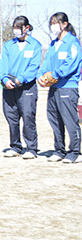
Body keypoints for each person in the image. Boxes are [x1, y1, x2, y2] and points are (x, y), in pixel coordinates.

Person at [38, 12, 82, 164]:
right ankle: (59, 150)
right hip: (54, 89)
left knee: (70, 120)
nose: (53, 26)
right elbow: (46, 63)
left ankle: (75, 151)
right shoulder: (53, 44)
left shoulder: (72, 42)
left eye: (56, 23)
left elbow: (70, 64)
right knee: (55, 120)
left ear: (65, 24)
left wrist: (54, 75)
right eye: (51, 23)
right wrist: (41, 75)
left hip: (67, 88)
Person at [0, 16, 42, 159]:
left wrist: (20, 80)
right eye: (14, 27)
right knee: (11, 118)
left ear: (27, 28)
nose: (16, 30)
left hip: (26, 88)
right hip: (9, 87)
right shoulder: (8, 45)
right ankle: (15, 146)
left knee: (28, 117)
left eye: (19, 27)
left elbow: (33, 67)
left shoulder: (35, 45)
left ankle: (31, 148)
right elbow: (3, 65)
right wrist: (5, 79)